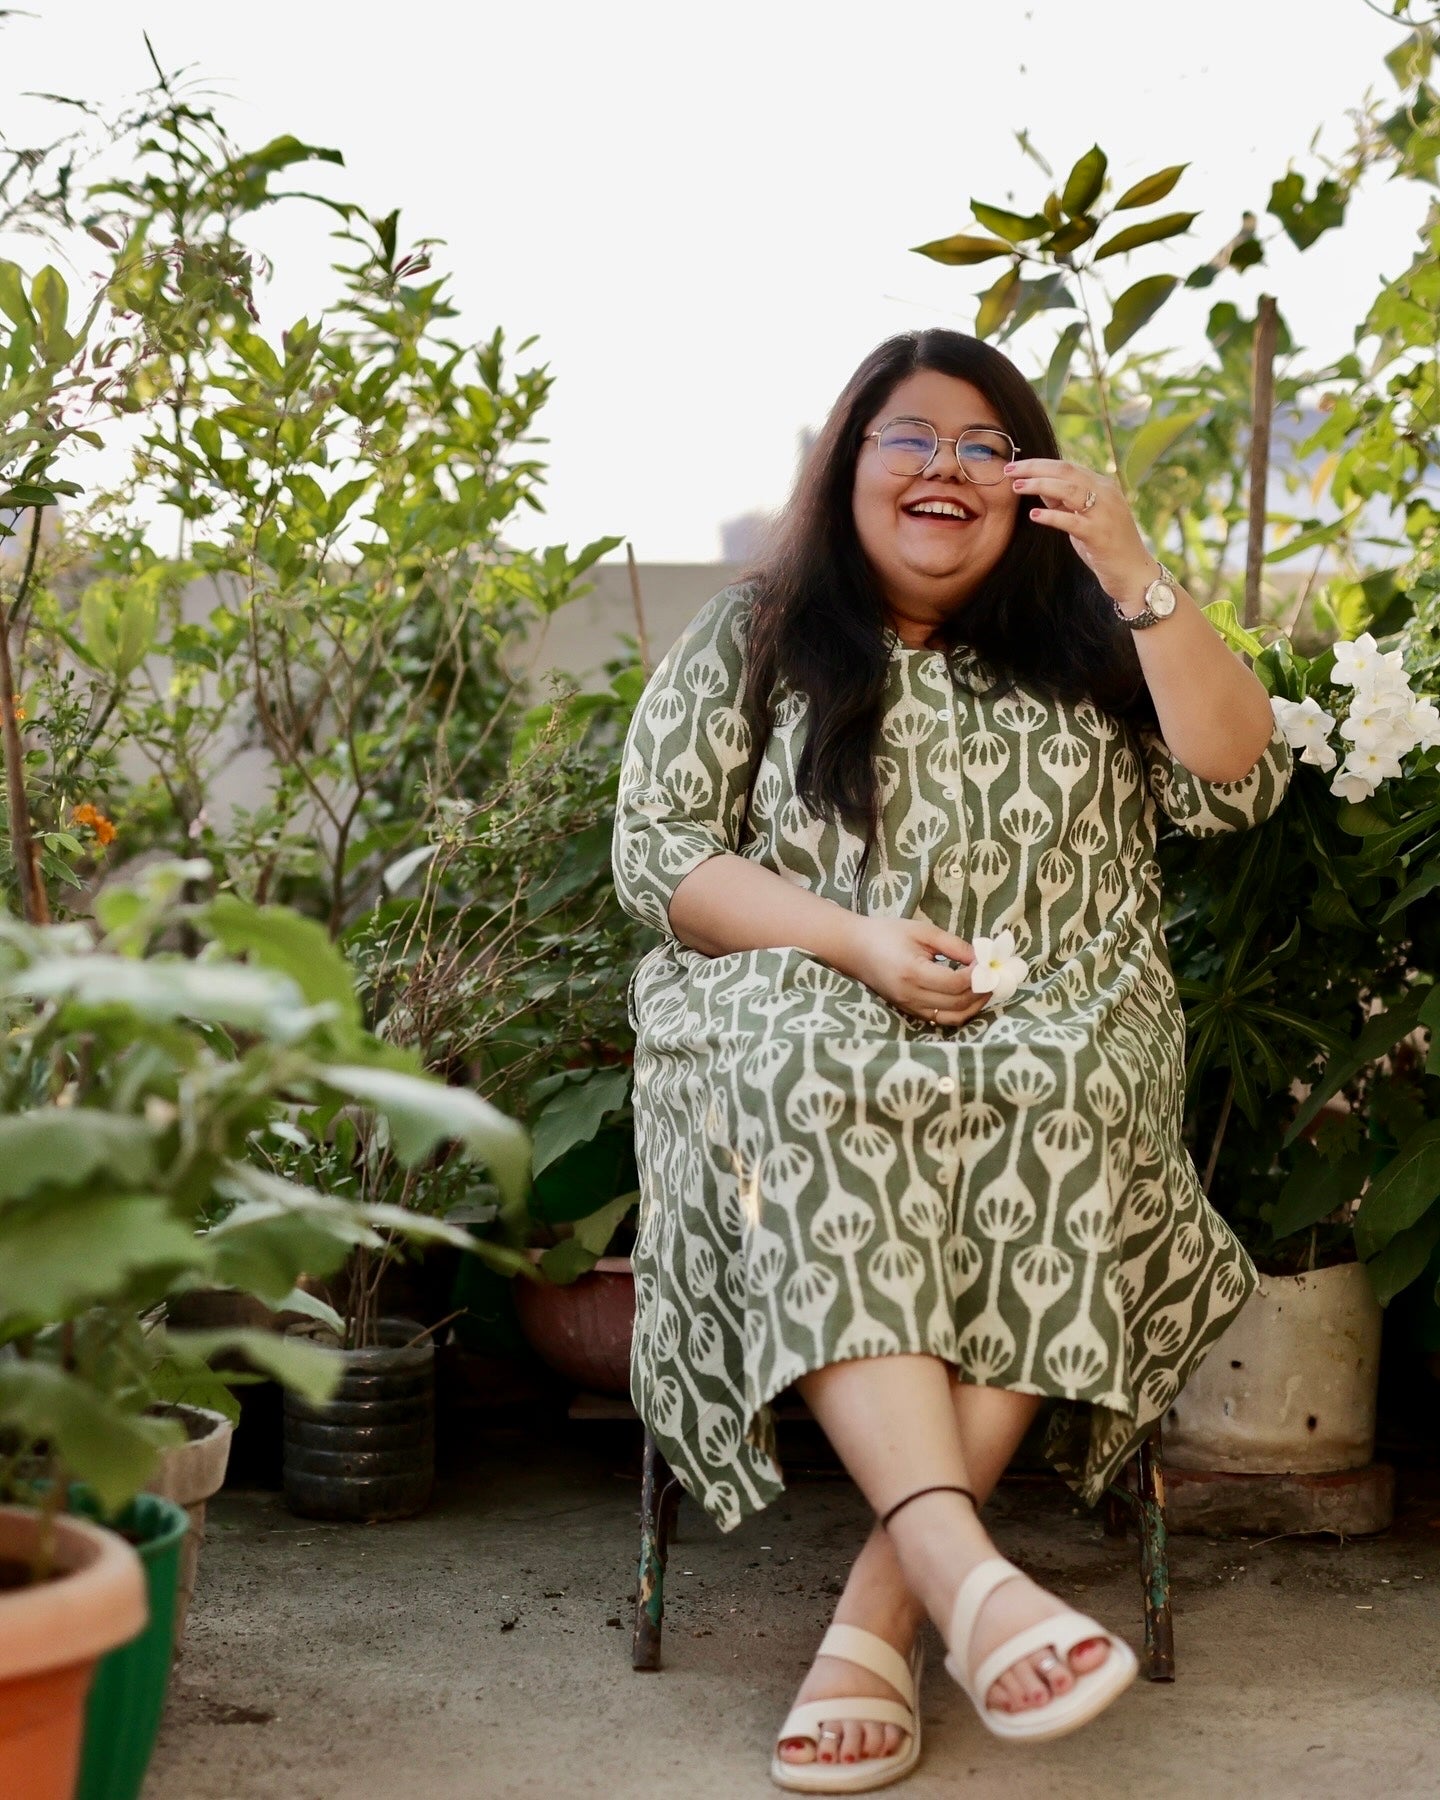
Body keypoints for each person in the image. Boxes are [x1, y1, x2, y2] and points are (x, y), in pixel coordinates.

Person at [612, 328, 1290, 1791]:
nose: (947, 468)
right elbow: (660, 855)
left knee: (1057, 1093)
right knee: (811, 1070)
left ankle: (894, 1606)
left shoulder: (1098, 643)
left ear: (1033, 484)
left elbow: (1239, 782)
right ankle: (967, 1590)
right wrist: (850, 944)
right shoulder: (754, 630)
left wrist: (1135, 571)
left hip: (1067, 1002)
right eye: (909, 437)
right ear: (850, 462)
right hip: (792, 990)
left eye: (986, 446)